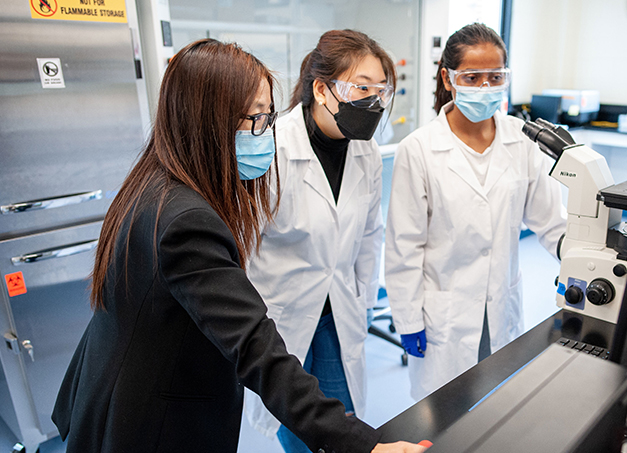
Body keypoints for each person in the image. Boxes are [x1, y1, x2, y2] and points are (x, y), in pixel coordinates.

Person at [51, 39, 424, 453]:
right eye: (259, 119)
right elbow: (255, 347)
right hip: (149, 419)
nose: (268, 131)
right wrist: (365, 446)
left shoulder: (155, 180)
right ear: (210, 121)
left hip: (119, 390)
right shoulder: (187, 220)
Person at [384, 23, 567, 401]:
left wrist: (582, 261)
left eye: (495, 76)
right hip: (442, 316)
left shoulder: (521, 139)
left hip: (501, 304)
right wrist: (407, 318)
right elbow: (404, 246)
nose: (485, 87)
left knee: (497, 407)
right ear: (448, 79)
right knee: (442, 418)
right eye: (472, 77)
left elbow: (551, 221)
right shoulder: (418, 149)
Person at [243, 29, 393, 453]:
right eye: (361, 89)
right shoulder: (270, 147)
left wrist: (363, 299)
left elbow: (369, 234)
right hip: (280, 314)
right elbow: (245, 242)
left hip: (339, 310)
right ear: (322, 89)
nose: (372, 102)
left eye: (379, 91)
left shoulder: (367, 151)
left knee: (339, 423)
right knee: (296, 424)